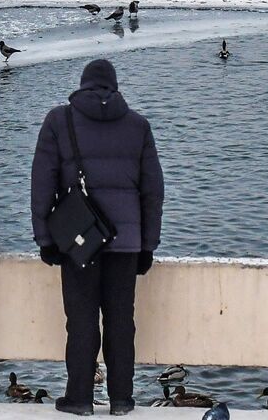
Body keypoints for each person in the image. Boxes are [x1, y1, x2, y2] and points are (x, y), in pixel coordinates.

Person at [30, 59, 165, 417]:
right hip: (125, 243)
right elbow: (153, 192)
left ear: (83, 85)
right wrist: (147, 245)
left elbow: (41, 184)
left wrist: (45, 238)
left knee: (81, 320)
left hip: (78, 240)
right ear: (115, 87)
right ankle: (122, 399)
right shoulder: (138, 126)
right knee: (121, 320)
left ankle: (80, 398)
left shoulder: (59, 120)